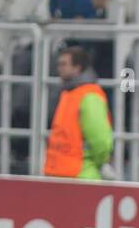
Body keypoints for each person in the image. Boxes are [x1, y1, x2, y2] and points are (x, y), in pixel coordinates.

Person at [43, 46, 112, 179]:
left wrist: (99, 162)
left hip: (81, 174)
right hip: (64, 172)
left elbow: (100, 140)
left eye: (64, 64)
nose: (59, 69)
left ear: (77, 68)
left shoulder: (89, 96)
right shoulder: (69, 93)